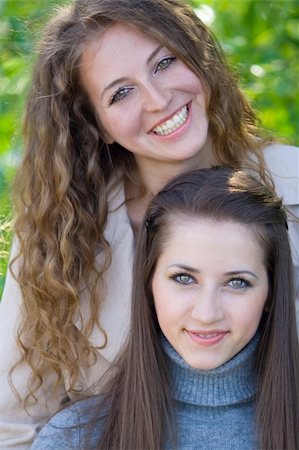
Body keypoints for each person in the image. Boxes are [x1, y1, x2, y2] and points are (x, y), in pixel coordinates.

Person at [0, 0, 298, 447]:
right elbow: (16, 423)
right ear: (96, 124)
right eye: (121, 93)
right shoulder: (59, 231)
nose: (158, 100)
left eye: (164, 63)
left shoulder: (293, 184)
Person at [32, 167, 299, 450]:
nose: (206, 314)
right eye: (184, 279)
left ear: (271, 292)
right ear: (149, 284)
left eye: (237, 282)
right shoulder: (73, 439)